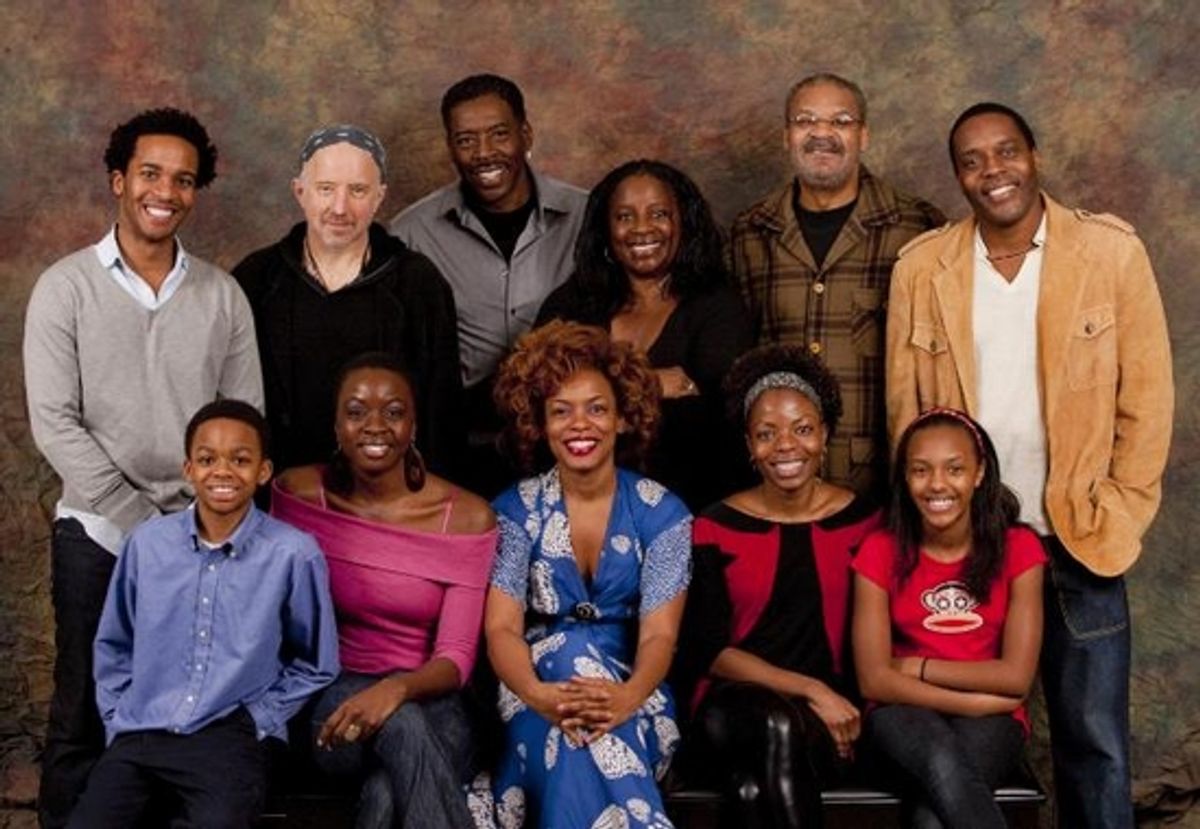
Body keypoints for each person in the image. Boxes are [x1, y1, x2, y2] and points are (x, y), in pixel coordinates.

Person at [886, 102, 1174, 828]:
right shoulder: (925, 266)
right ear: (957, 175)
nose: (993, 172)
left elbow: (1147, 396)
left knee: (1095, 740)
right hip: (968, 545)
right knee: (968, 731)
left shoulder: (1109, 253)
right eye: (973, 161)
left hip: (1079, 533)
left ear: (1035, 155)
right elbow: (904, 412)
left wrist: (1122, 504)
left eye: (1006, 152)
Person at [23, 107, 263, 828]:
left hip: (203, 538)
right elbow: (55, 423)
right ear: (119, 180)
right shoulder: (64, 288)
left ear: (196, 193)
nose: (167, 190)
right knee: (81, 712)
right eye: (151, 173)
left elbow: (242, 419)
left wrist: (198, 525)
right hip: (98, 537)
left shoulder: (222, 295)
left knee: (184, 711)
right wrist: (141, 527)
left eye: (184, 179)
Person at [68, 400, 339, 828]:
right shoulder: (146, 545)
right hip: (142, 728)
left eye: (241, 459)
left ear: (263, 471)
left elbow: (315, 663)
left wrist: (258, 720)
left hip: (227, 736)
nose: (223, 471)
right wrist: (119, 717)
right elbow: (114, 643)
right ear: (188, 469)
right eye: (207, 459)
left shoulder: (293, 554)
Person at [469, 321, 692, 828]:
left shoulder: (663, 513)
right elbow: (501, 629)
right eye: (560, 411)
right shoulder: (514, 511)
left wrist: (624, 699)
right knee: (569, 711)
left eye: (596, 408)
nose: (579, 425)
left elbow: (660, 634)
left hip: (635, 691)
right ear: (540, 424)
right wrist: (538, 693)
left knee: (580, 738)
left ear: (622, 419)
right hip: (532, 689)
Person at [271, 352, 497, 827]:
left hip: (438, 704)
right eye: (356, 413)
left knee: (383, 794)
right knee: (401, 728)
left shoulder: (466, 517)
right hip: (332, 697)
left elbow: (455, 658)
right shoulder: (299, 496)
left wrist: (396, 689)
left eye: (393, 413)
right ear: (336, 426)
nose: (375, 426)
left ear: (413, 426)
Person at [672, 344, 882, 826]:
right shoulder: (713, 525)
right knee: (777, 724)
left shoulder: (867, 520)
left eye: (802, 429)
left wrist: (829, 698)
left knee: (748, 791)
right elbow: (709, 651)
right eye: (766, 434)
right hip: (733, 704)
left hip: (837, 710)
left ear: (825, 435)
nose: (785, 445)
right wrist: (810, 690)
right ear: (749, 445)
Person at [731, 72, 944, 500]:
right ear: (786, 136)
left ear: (863, 135)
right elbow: (737, 356)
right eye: (806, 121)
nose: (822, 134)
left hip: (882, 479)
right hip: (778, 478)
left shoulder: (918, 227)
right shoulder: (750, 232)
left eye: (840, 121)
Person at [390, 73, 588, 496]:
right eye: (465, 140)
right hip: (463, 444)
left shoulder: (587, 216)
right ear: (450, 147)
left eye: (499, 135)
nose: (483, 153)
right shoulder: (411, 232)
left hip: (568, 435)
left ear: (526, 134)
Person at [852, 409, 1045, 829]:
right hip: (899, 715)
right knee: (940, 760)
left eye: (954, 469)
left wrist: (919, 668)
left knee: (931, 815)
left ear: (979, 474)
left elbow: (1014, 678)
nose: (937, 484)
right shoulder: (879, 550)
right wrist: (973, 701)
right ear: (905, 477)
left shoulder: (1020, 548)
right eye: (920, 470)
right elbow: (874, 680)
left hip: (992, 720)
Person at [233, 124, 464, 476]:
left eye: (357, 190)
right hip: (278, 493)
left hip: (387, 495)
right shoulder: (256, 280)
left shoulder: (418, 283)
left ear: (379, 196)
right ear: (300, 192)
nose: (340, 208)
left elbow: (441, 412)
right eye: (326, 189)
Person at [536, 159, 753, 510]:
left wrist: (596, 392)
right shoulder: (572, 304)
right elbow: (535, 392)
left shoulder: (717, 304)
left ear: (683, 222)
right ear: (605, 229)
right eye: (624, 217)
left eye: (658, 214)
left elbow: (724, 411)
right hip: (581, 506)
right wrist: (653, 384)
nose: (642, 229)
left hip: (691, 505)